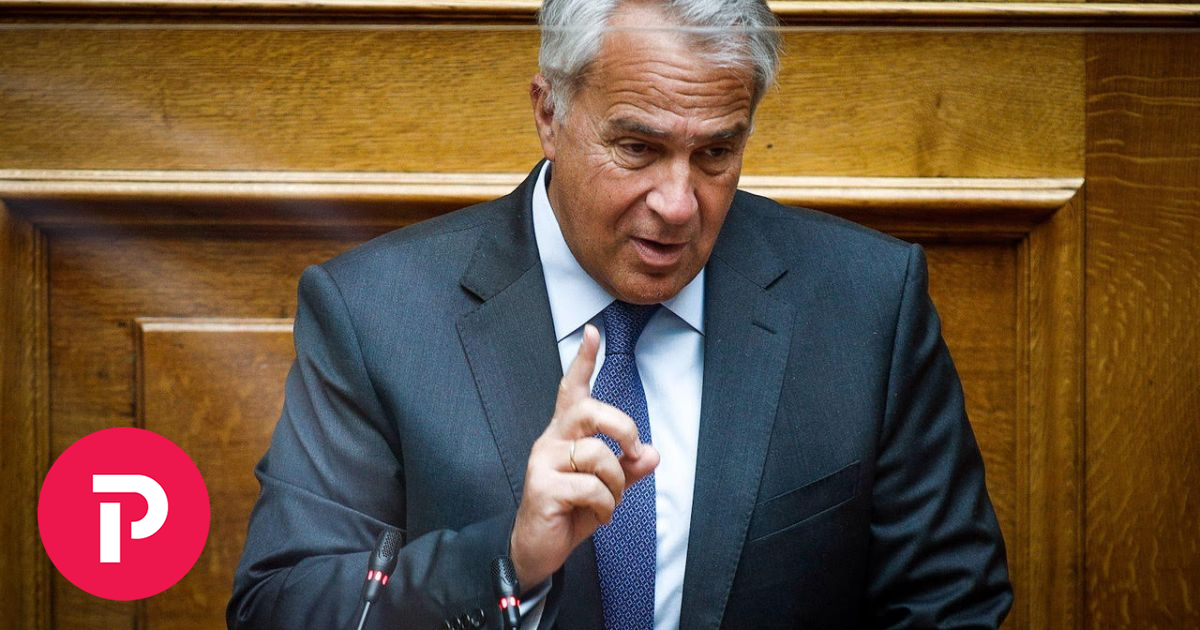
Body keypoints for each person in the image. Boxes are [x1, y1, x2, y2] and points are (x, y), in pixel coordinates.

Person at [228, 0, 1012, 628]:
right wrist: (506, 561)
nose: (678, 204)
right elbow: (280, 606)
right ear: (549, 112)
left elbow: (950, 602)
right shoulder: (376, 315)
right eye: (637, 148)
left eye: (715, 154)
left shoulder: (866, 303)